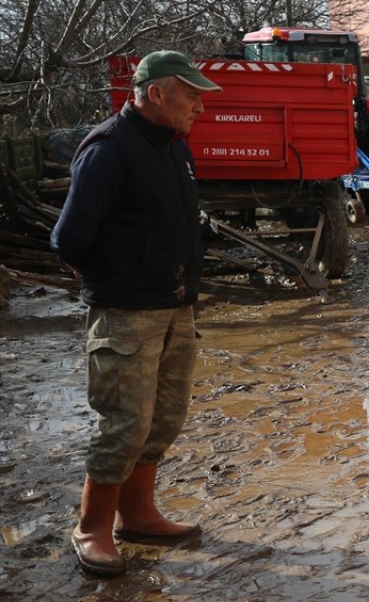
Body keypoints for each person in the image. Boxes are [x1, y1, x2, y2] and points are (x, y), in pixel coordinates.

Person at [51, 50, 220, 576]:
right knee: (124, 423)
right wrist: (111, 277)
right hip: (126, 311)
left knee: (163, 418)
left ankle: (139, 514)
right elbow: (69, 238)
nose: (199, 105)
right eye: (190, 95)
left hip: (176, 306)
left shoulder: (174, 149)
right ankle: (92, 528)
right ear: (156, 94)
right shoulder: (108, 149)